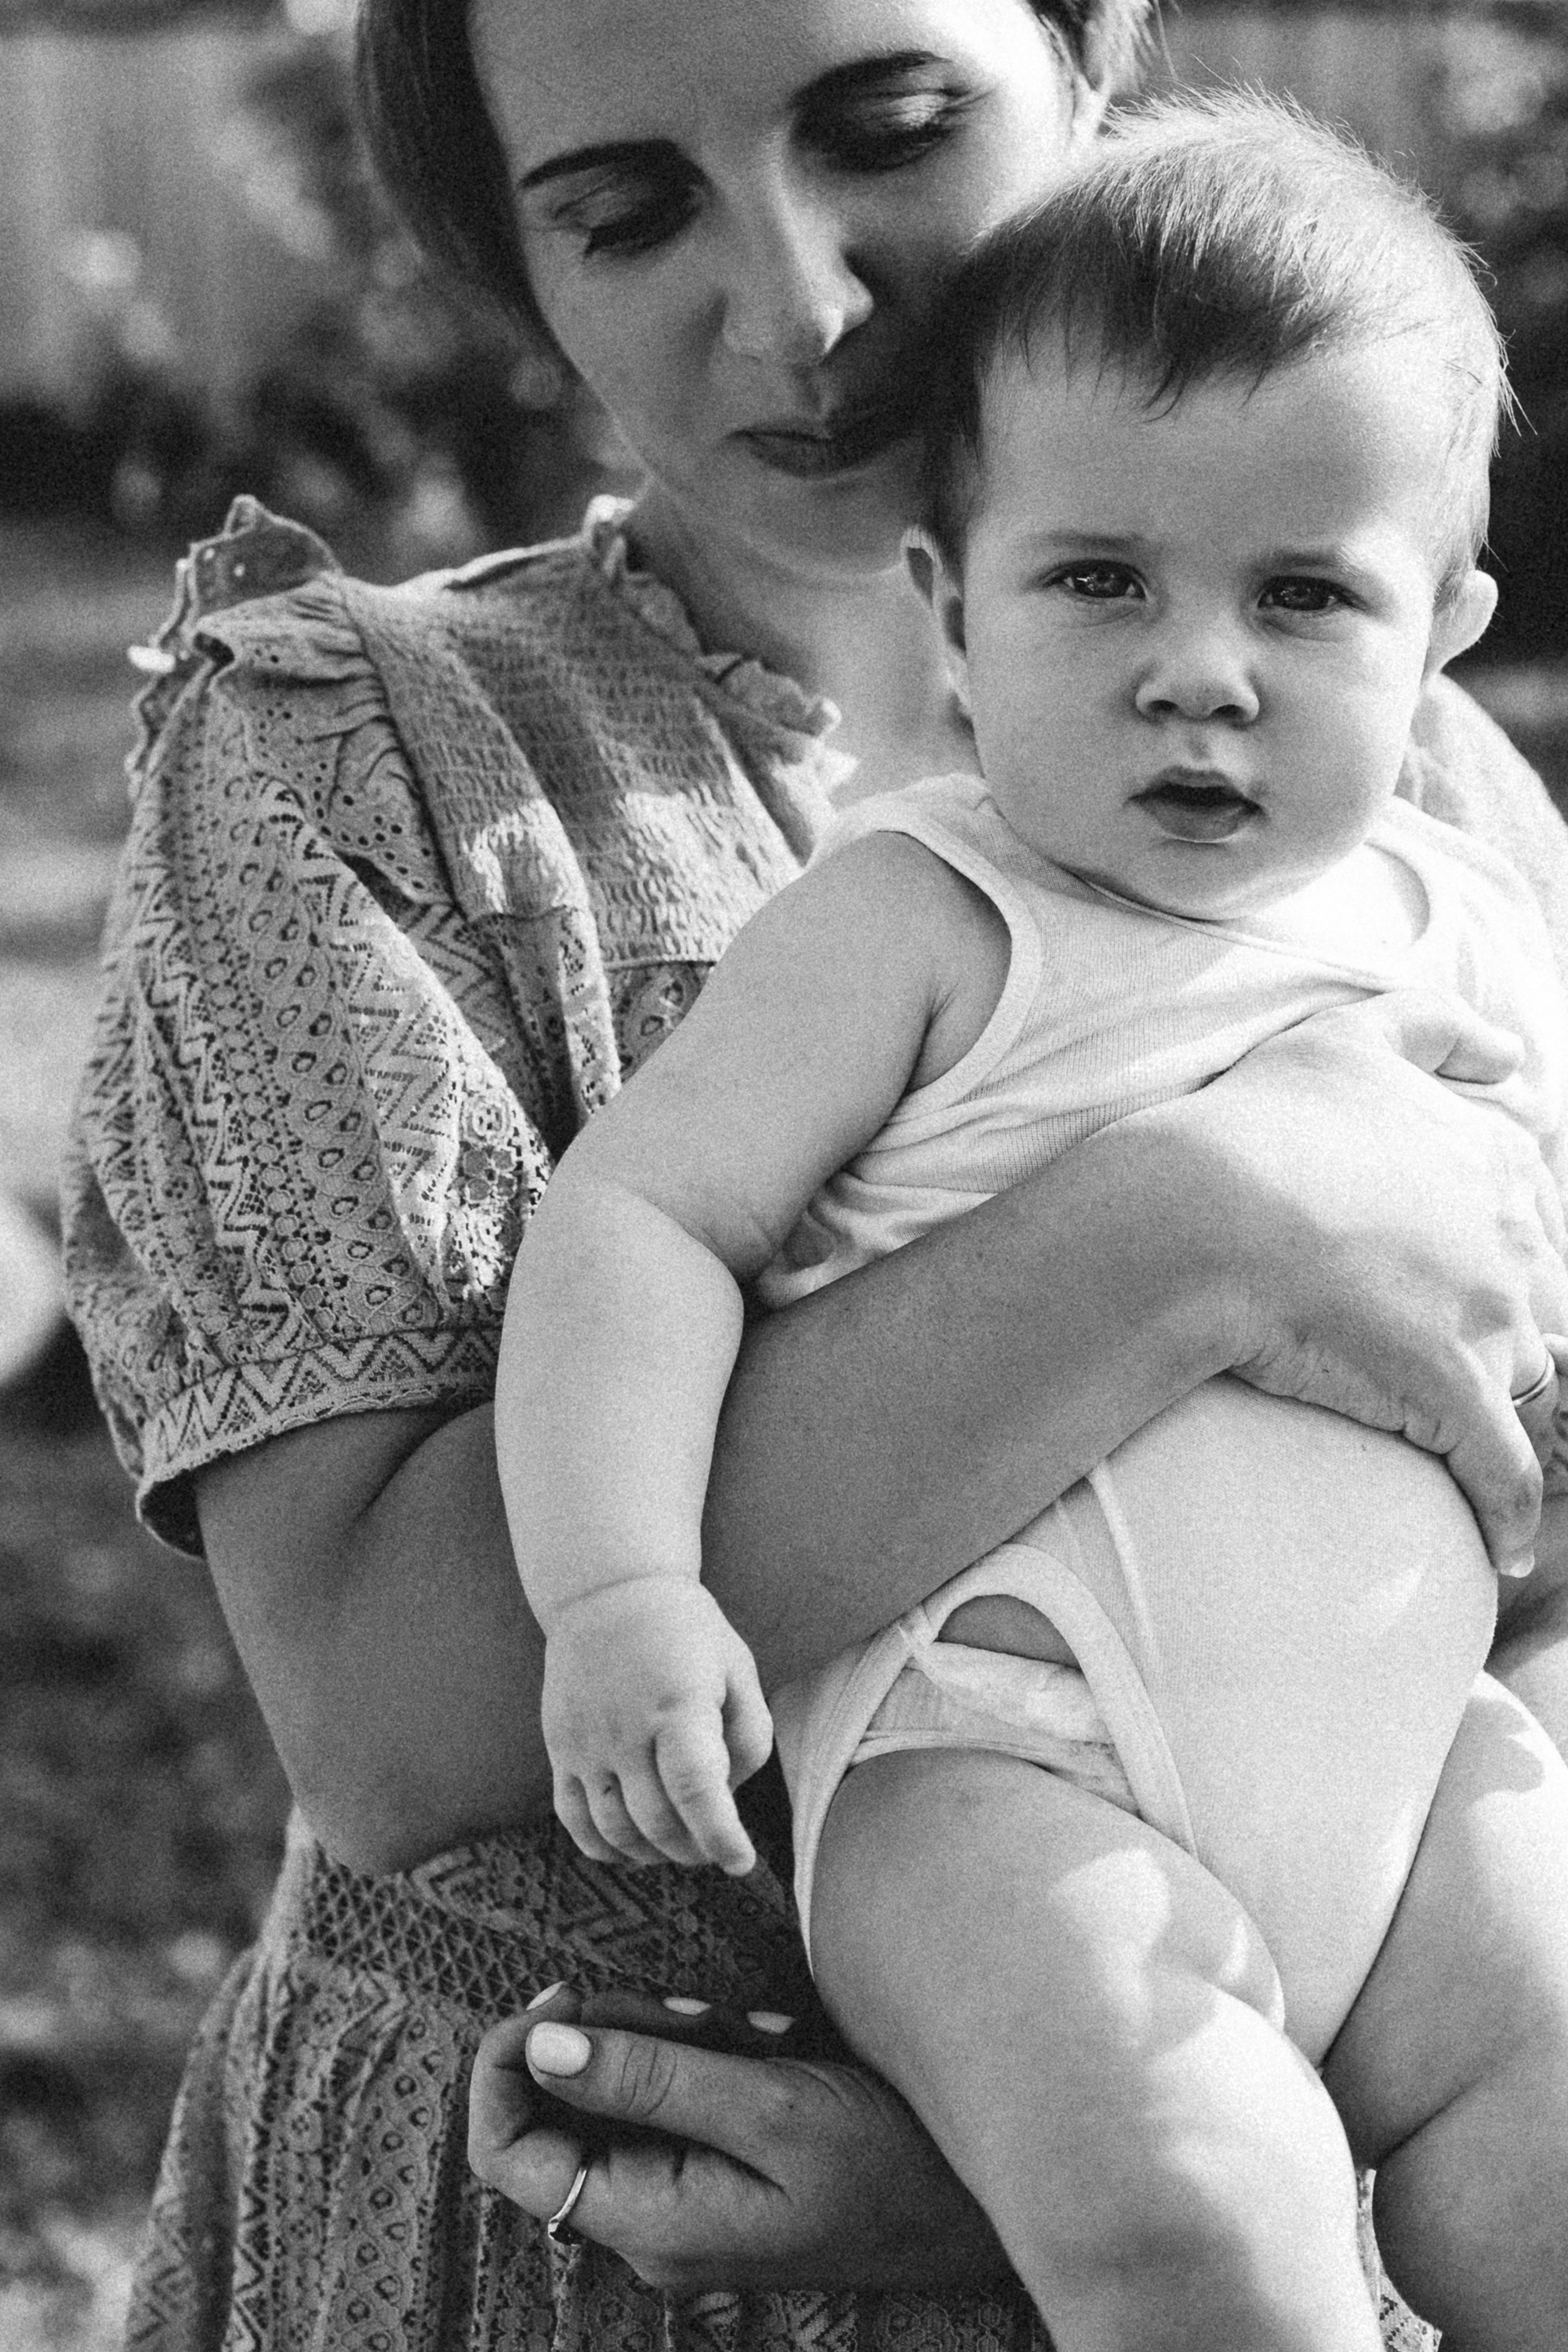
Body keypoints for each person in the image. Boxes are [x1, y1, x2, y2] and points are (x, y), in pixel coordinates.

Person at [58, 2, 1568, 2346]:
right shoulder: (360, 773)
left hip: (1303, 2120)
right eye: (626, 209)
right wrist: (1201, 1230)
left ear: (1094, 56)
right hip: (588, 2242)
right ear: (508, 259)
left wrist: (1118, 2143)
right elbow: (397, 1716)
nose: (799, 302)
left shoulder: (1431, 802)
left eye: (888, 127)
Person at [488, 99, 1568, 2347]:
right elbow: (642, 1221)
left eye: (1303, 595)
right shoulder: (928, 917)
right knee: (1193, 2209)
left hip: (1416, 1757)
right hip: (1002, 1760)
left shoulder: (1474, 930)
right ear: (948, 607)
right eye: (1101, 581)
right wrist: (619, 1588)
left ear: (1444, 620)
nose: (1201, 668)